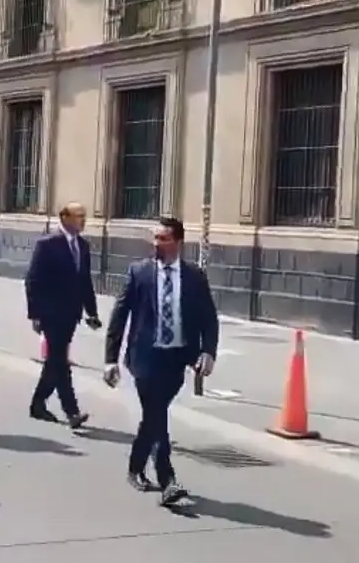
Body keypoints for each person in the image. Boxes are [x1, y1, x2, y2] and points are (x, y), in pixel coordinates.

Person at [103, 216, 219, 507]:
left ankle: (135, 466)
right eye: (155, 238)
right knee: (157, 414)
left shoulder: (194, 276)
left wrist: (208, 351)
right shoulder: (139, 272)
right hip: (144, 357)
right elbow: (119, 317)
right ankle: (168, 480)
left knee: (154, 415)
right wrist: (110, 360)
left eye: (164, 238)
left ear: (178, 242)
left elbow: (208, 317)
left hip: (177, 358)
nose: (157, 243)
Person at [25, 202, 101, 429]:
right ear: (65, 217)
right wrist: (35, 313)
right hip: (50, 312)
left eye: (84, 216)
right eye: (79, 216)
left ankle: (38, 404)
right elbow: (33, 280)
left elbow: (85, 281)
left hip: (71, 313)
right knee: (60, 360)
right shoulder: (48, 244)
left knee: (54, 362)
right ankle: (72, 411)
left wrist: (92, 311)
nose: (83, 221)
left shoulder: (83, 246)